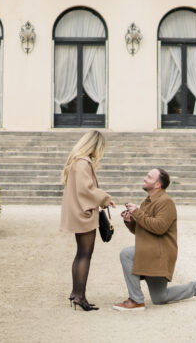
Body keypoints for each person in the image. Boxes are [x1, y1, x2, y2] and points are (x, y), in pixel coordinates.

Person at [113, 168, 196, 311]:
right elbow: (142, 230)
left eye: (149, 177)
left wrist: (138, 213)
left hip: (160, 253)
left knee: (126, 254)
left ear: (158, 185)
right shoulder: (147, 201)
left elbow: (159, 227)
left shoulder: (166, 202)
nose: (145, 178)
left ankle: (136, 300)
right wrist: (130, 221)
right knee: (160, 298)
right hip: (152, 250)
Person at [60, 130, 115, 311]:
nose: (98, 152)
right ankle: (80, 296)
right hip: (84, 214)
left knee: (80, 254)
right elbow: (87, 190)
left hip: (77, 212)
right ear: (93, 145)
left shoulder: (75, 162)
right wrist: (106, 198)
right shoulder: (83, 163)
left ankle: (76, 293)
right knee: (85, 255)